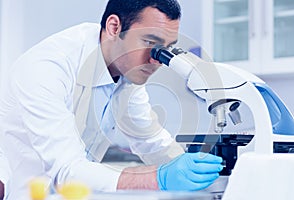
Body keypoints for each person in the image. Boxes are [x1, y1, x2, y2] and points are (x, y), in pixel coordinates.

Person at [0, 0, 223, 199]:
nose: (156, 61)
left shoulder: (127, 71)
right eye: (150, 42)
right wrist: (158, 178)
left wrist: (196, 174)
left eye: (165, 49)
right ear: (114, 27)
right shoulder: (47, 67)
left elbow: (150, 140)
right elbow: (67, 171)